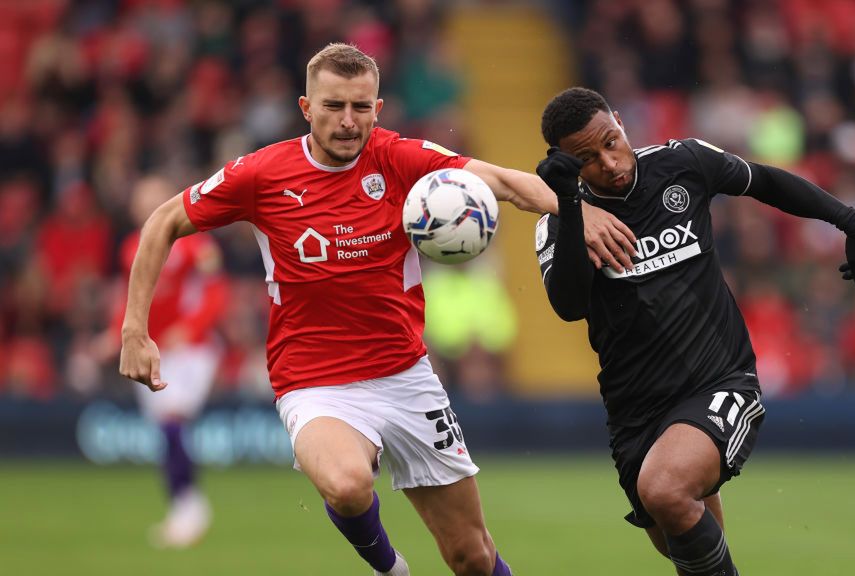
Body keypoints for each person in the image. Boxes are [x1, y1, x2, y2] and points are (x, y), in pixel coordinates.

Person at [119, 44, 635, 576]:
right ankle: (391, 569)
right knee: (347, 484)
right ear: (305, 107)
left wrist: (579, 211)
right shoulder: (263, 174)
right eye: (333, 106)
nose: (348, 122)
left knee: (472, 556)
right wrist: (135, 329)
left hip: (406, 376)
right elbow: (163, 221)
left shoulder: (398, 157)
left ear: (378, 108)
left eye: (360, 108)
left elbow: (502, 182)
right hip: (312, 380)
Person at [533, 87, 855, 576]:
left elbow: (765, 182)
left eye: (611, 141)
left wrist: (850, 221)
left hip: (719, 380)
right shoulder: (559, 221)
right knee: (682, 542)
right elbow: (568, 306)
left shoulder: (683, 163)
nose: (609, 163)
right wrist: (569, 204)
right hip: (635, 412)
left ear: (619, 120)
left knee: (666, 490)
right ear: (562, 162)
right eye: (586, 159)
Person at [93, 176, 228, 548]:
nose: (148, 204)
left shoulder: (196, 243)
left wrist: (190, 328)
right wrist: (115, 333)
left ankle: (189, 509)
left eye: (155, 197)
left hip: (193, 349)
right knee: (168, 431)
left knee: (171, 421)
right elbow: (130, 298)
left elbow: (217, 294)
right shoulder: (131, 248)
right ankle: (183, 506)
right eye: (142, 198)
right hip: (153, 350)